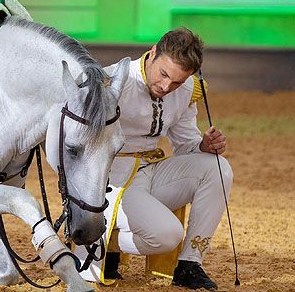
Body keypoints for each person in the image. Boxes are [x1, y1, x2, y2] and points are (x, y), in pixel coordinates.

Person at [75, 27, 232, 290]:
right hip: (110, 182)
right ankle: (97, 237)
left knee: (218, 168)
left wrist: (204, 145)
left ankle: (190, 264)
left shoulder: (187, 89)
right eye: (163, 75)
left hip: (149, 172)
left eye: (177, 83)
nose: (166, 87)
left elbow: (185, 145)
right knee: (168, 235)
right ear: (153, 52)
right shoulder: (109, 82)